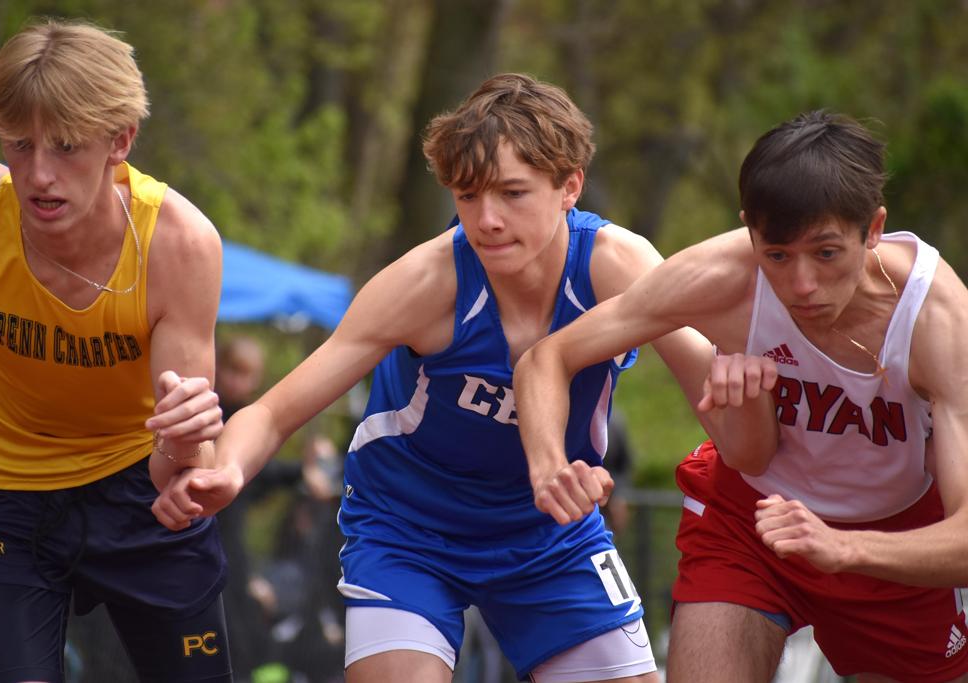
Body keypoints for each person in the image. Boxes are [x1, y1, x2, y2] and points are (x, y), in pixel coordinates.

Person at [152, 72, 775, 683]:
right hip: (409, 528)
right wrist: (225, 470)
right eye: (467, 195)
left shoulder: (619, 267)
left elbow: (737, 436)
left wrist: (743, 389)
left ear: (570, 187)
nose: (487, 220)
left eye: (512, 193)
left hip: (549, 531)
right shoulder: (426, 284)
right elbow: (272, 412)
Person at [513, 109, 968, 682]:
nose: (801, 285)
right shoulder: (720, 276)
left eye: (826, 253)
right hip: (750, 520)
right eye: (776, 255)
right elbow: (546, 358)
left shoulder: (938, 319)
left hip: (892, 539)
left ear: (872, 229)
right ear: (749, 229)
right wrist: (549, 466)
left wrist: (846, 549)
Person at [0, 19, 229, 683]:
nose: (39, 174)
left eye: (67, 147)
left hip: (138, 479)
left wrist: (185, 445)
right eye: (20, 144)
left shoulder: (178, 245)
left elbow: (183, 469)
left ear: (120, 140)